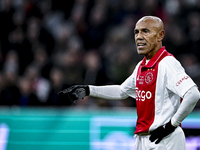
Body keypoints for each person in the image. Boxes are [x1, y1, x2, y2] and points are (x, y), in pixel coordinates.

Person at [58, 16, 200, 150]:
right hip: (143, 138)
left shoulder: (167, 63)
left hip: (166, 139)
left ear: (160, 35)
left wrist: (171, 125)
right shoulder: (141, 66)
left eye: (145, 31)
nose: (139, 37)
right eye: (136, 32)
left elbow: (193, 94)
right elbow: (121, 91)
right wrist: (88, 90)